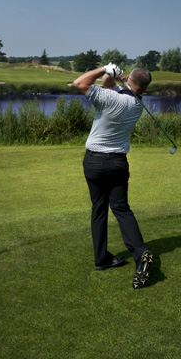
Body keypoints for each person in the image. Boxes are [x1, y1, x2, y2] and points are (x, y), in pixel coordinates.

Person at [71, 63, 154, 289]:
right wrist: (113, 77)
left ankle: (101, 259)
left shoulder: (111, 99)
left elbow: (79, 83)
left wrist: (101, 68)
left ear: (130, 80)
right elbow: (109, 88)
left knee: (98, 208)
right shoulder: (137, 104)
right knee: (121, 208)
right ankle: (140, 252)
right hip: (117, 163)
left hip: (94, 162)